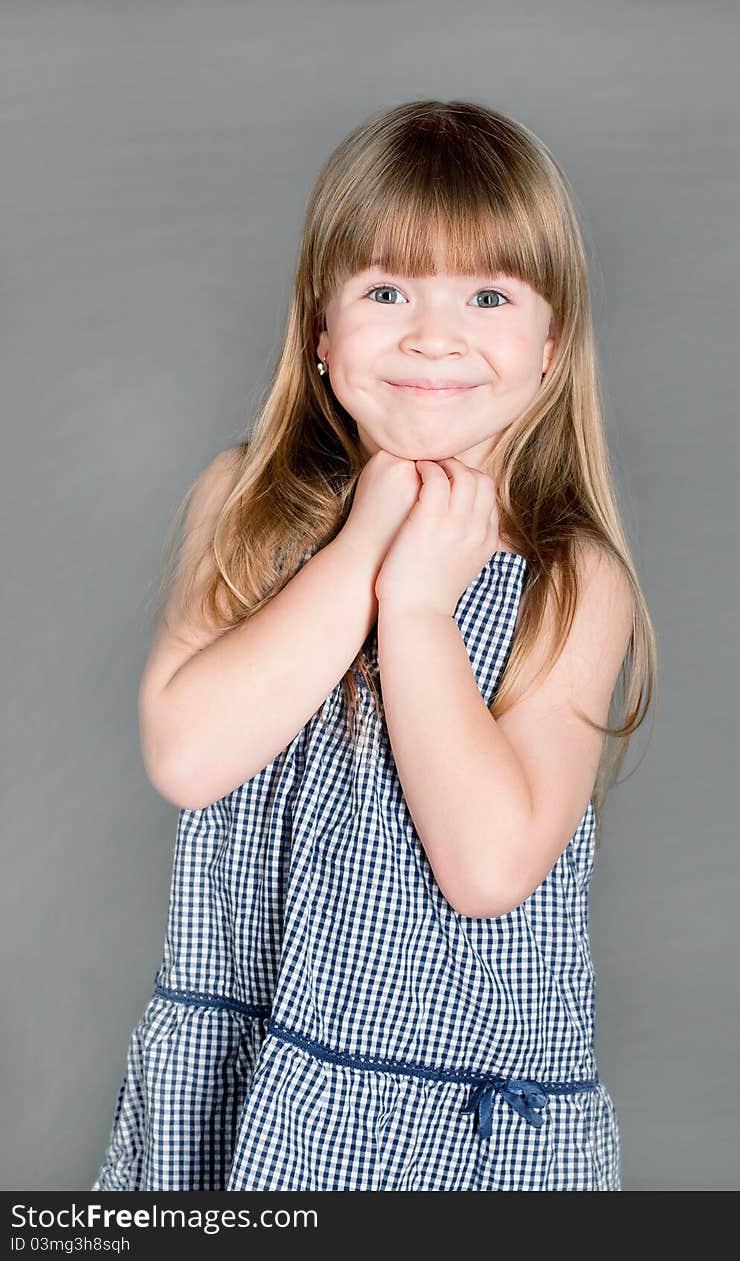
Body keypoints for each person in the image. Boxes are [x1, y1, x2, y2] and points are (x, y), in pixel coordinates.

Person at [91, 98, 657, 1193]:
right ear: (320, 331)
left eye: (486, 295)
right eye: (386, 291)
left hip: (459, 1125)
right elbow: (191, 754)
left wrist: (416, 606)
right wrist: (367, 543)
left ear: (550, 346)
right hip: (245, 1085)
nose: (431, 335)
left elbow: (487, 866)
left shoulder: (572, 579)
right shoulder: (247, 505)